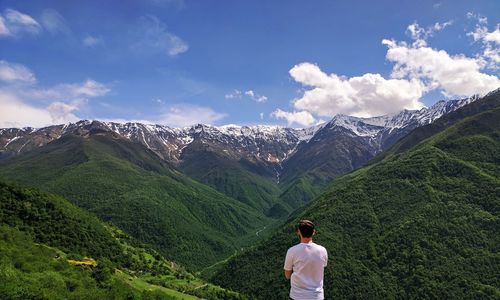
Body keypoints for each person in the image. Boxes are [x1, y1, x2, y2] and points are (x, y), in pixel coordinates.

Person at [284, 219, 328, 300]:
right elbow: (322, 267)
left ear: (298, 232)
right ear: (314, 232)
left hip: (297, 296)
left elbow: (287, 275)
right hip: (316, 296)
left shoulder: (292, 251)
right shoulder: (322, 250)